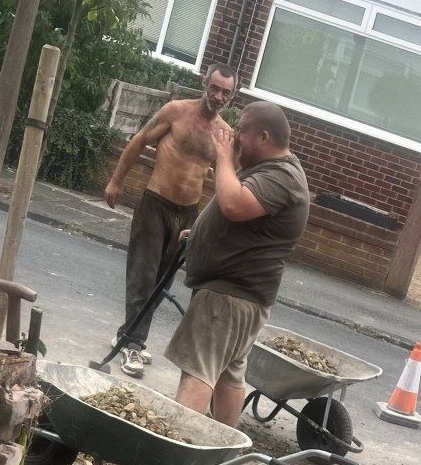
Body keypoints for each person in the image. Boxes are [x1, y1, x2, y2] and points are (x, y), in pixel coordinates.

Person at [167, 101, 309, 426]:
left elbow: (233, 204)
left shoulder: (282, 176)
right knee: (228, 375)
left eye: (242, 131)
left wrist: (222, 157)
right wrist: (201, 233)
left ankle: (170, 446)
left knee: (198, 370)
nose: (235, 137)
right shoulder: (273, 170)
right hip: (241, 295)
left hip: (229, 295)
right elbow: (242, 213)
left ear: (263, 136)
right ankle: (223, 446)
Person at [101, 62, 240, 376]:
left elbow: (226, 178)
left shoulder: (224, 134)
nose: (219, 96)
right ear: (205, 83)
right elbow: (140, 140)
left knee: (162, 282)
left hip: (188, 214)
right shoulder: (176, 111)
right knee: (142, 276)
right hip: (155, 204)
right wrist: (116, 180)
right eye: (215, 88)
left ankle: (128, 335)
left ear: (233, 96)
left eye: (226, 92)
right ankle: (133, 345)